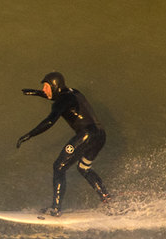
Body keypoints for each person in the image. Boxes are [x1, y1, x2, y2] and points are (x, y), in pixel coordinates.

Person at [16, 71, 109, 216]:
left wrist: (29, 135)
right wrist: (37, 93)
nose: (44, 90)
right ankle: (107, 199)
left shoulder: (61, 101)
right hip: (100, 135)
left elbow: (50, 121)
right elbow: (60, 99)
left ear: (54, 86)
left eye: (46, 87)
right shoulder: (73, 92)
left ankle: (56, 208)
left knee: (58, 167)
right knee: (84, 168)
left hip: (86, 135)